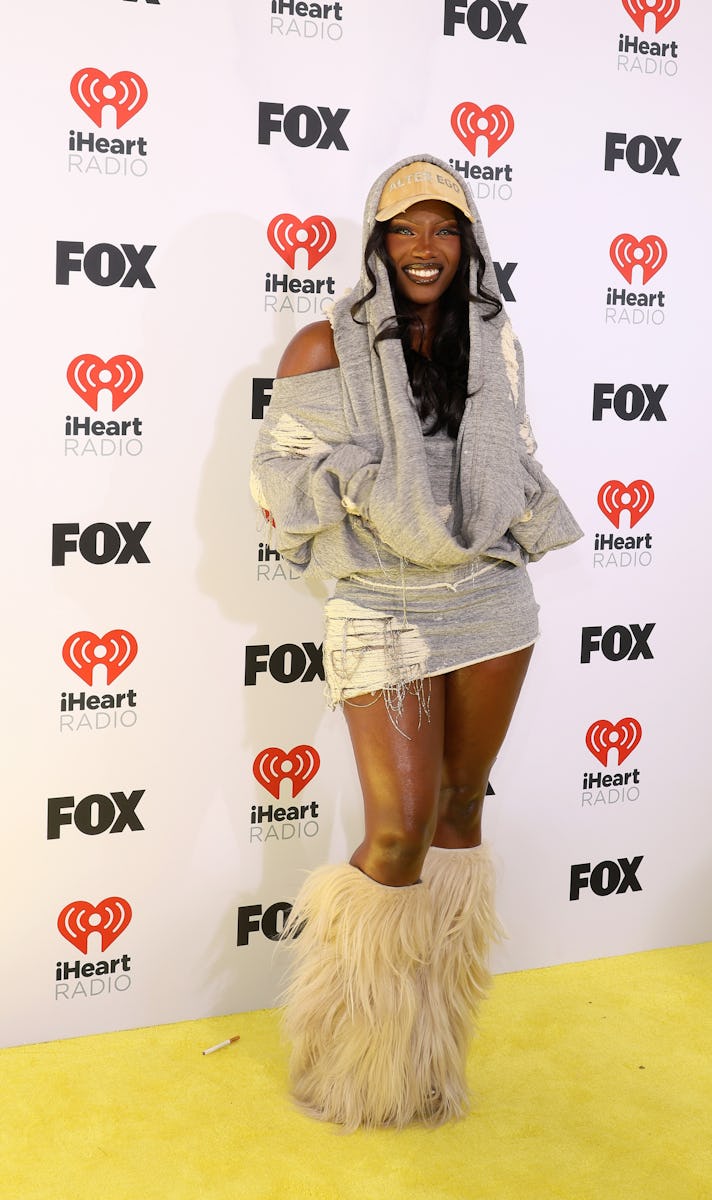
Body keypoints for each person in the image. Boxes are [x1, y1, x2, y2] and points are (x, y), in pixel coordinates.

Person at [250, 154, 582, 1131]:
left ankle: (427, 1060)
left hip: (487, 598)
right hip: (381, 605)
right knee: (394, 832)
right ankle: (353, 1063)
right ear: (375, 242)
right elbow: (285, 492)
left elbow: (516, 456)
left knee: (456, 811)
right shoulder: (324, 346)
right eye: (404, 229)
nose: (424, 248)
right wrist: (386, 530)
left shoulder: (493, 340)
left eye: (444, 228)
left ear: (468, 242)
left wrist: (487, 533)